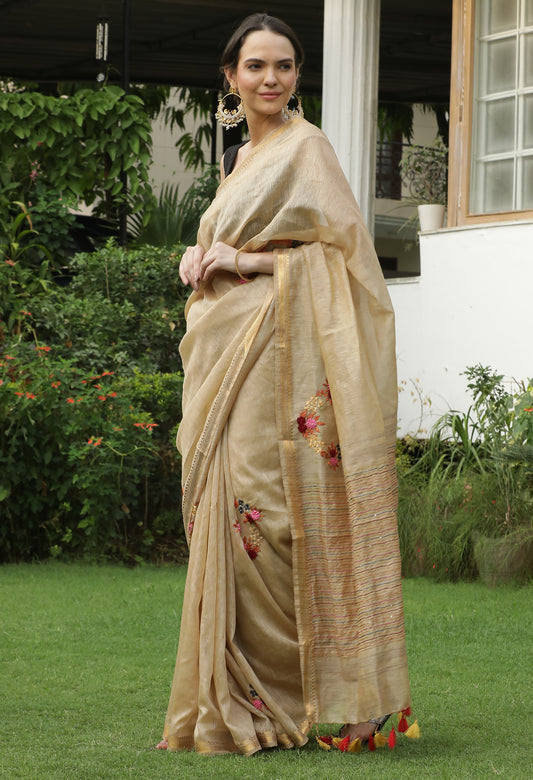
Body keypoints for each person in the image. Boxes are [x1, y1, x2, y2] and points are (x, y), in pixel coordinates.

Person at [157, 13, 411, 756]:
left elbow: (347, 259)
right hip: (224, 346)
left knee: (268, 513)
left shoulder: (309, 148)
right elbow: (227, 241)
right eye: (256, 66)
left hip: (281, 347)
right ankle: (243, 694)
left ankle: (333, 695)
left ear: (297, 76)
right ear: (230, 78)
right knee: (224, 509)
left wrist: (247, 262)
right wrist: (197, 256)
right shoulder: (238, 159)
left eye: (284, 66)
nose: (271, 78)